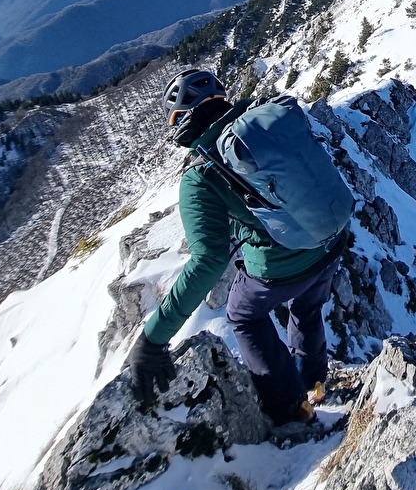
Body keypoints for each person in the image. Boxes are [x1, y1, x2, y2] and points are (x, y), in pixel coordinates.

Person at [125, 68, 349, 425]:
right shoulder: (263, 118)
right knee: (307, 309)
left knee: (244, 316)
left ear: (181, 121)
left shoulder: (199, 177)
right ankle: (316, 386)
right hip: (331, 241)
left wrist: (153, 339)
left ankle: (293, 411)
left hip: (280, 268)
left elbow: (208, 261)